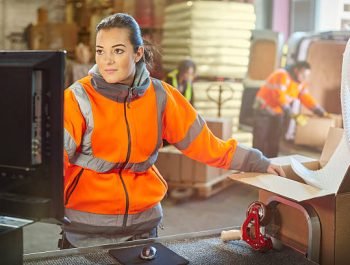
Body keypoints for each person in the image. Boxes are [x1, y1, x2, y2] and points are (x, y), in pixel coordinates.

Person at [62, 13, 284, 249]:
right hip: (86, 233)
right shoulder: (78, 98)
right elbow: (53, 160)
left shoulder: (161, 97)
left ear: (138, 53)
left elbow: (206, 145)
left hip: (143, 229)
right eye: (100, 51)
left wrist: (255, 161)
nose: (106, 60)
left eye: (117, 51)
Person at [252, 61, 327, 158]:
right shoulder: (281, 75)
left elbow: (306, 97)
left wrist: (319, 111)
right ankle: (256, 164)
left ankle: (271, 164)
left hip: (278, 112)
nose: (305, 78)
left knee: (274, 140)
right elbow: (280, 97)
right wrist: (291, 113)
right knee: (260, 139)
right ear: (296, 71)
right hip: (263, 110)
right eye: (303, 75)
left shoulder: (300, 83)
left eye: (307, 76)